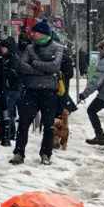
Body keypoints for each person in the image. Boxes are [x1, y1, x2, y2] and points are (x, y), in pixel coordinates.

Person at [10, 21, 64, 166]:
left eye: (34, 32)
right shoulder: (29, 47)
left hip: (49, 91)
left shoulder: (57, 48)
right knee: (23, 123)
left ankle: (46, 153)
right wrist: (43, 71)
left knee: (48, 125)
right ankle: (19, 153)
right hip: (31, 90)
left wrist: (34, 64)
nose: (31, 34)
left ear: (42, 33)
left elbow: (55, 66)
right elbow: (21, 66)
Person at [0, 38, 24, 144]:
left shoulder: (13, 59)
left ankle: (8, 134)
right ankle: (9, 133)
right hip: (10, 88)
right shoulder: (6, 58)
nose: (1, 49)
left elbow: (13, 74)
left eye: (3, 47)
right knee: (9, 112)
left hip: (12, 89)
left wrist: (4, 75)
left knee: (7, 111)